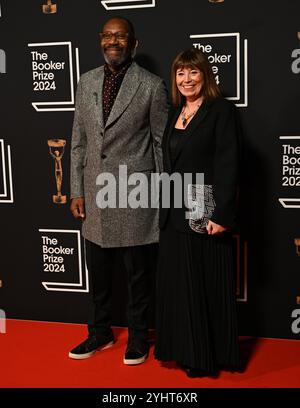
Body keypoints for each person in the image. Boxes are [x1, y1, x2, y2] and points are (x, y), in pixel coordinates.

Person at [69, 16, 168, 365]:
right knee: (98, 275)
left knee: (139, 275)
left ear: (133, 43)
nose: (114, 41)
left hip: (136, 194)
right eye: (108, 36)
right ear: (100, 40)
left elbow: (160, 145)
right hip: (95, 195)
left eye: (121, 36)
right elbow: (78, 141)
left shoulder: (152, 85)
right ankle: (100, 332)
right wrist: (76, 190)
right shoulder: (86, 82)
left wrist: (162, 195)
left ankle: (139, 337)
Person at [155, 48, 241, 377]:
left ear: (205, 75)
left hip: (203, 208)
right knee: (179, 286)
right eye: (180, 73)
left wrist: (221, 213)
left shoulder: (221, 111)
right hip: (172, 212)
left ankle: (204, 356)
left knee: (204, 285)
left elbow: (228, 163)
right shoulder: (176, 112)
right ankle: (182, 349)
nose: (186, 79)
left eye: (193, 72)